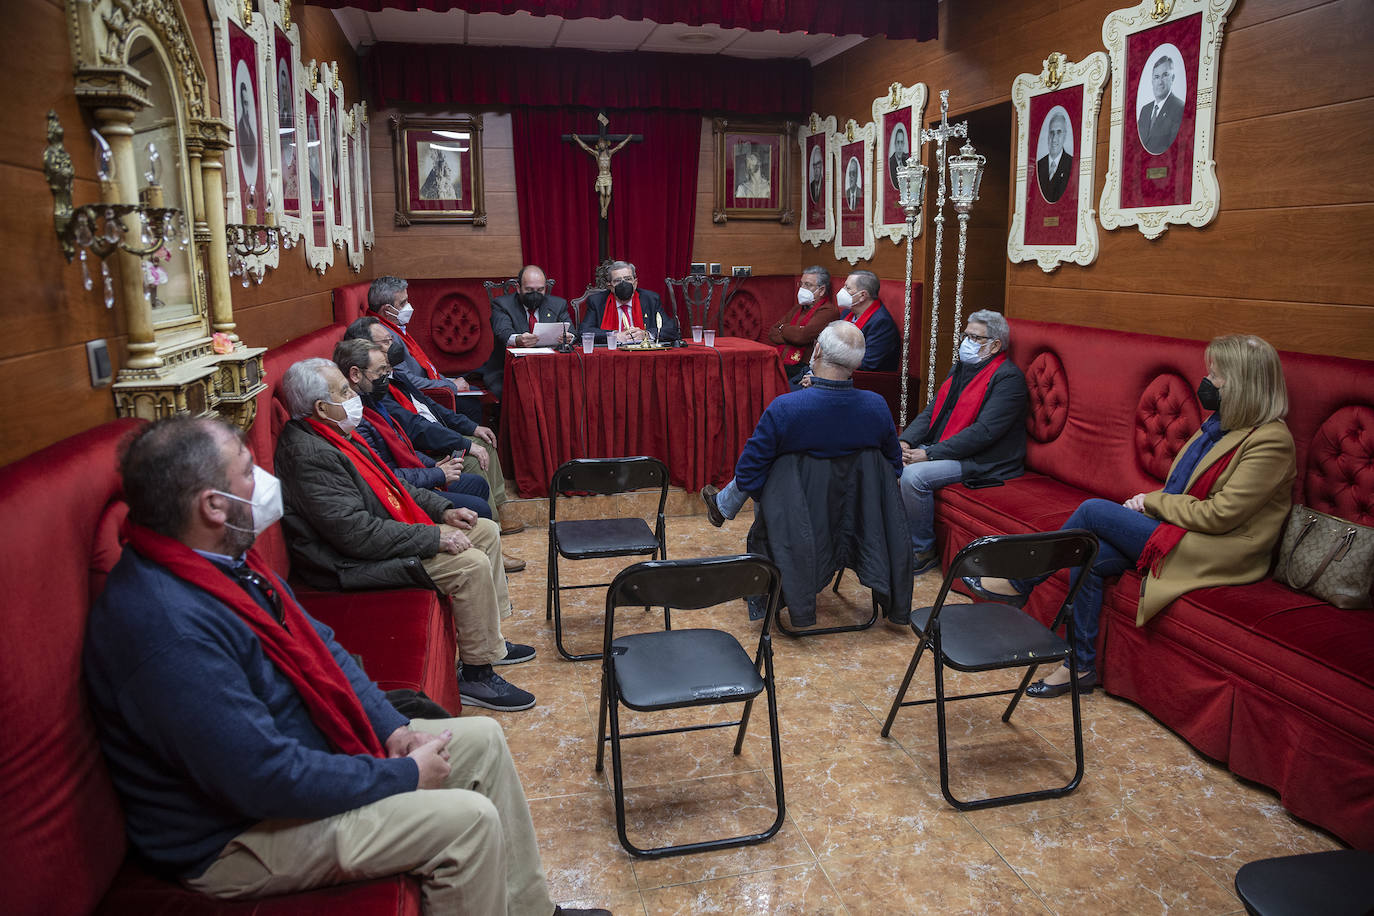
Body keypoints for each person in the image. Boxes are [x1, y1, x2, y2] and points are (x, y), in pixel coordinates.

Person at [84, 416, 608, 916]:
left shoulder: (220, 564)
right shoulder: (163, 627)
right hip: (234, 836)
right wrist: (400, 775)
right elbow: (260, 777)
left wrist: (393, 727)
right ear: (214, 506)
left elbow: (322, 646)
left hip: (303, 748)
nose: (265, 481)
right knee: (466, 824)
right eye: (248, 471)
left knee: (484, 743)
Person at [964, 334, 1295, 697]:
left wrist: (1151, 503)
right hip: (1179, 527)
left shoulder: (1271, 441)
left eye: (1216, 376)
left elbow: (1221, 514)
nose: (1207, 383)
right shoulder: (1218, 427)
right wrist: (1156, 505)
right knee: (1087, 552)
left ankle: (1023, 579)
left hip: (1217, 546)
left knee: (1092, 510)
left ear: (1244, 385)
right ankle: (1080, 666)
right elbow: (1183, 489)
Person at [274, 358, 538, 711]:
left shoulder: (334, 433)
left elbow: (393, 486)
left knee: (484, 530)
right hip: (348, 563)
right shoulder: (309, 454)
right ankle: (476, 675)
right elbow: (355, 535)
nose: (354, 395)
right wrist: (435, 538)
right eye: (344, 391)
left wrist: (442, 510)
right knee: (469, 564)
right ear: (322, 408)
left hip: (379, 534)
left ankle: (492, 647)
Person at [345, 317, 526, 572]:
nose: (393, 344)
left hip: (422, 456)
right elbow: (411, 434)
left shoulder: (389, 377)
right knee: (472, 456)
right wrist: (438, 469)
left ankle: (495, 526)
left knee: (481, 442)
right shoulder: (365, 404)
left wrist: (466, 432)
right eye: (385, 342)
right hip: (415, 465)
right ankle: (490, 540)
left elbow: (430, 408)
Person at [701, 321, 901, 526]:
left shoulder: (785, 408)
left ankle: (725, 507)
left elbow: (747, 474)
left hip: (792, 521)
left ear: (817, 350)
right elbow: (893, 468)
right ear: (857, 364)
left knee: (767, 467)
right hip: (854, 521)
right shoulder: (877, 407)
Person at [899, 309, 1028, 576]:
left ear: (995, 344)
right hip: (945, 447)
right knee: (889, 460)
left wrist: (930, 454)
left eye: (975, 337)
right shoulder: (962, 367)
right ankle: (894, 541)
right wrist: (905, 441)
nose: (966, 342)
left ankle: (922, 550)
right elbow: (932, 410)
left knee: (913, 476)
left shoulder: (1008, 378)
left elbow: (984, 433)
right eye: (965, 335)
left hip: (983, 460)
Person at [334, 337, 492, 518]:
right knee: (480, 507)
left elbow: (402, 444)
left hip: (413, 474)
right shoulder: (355, 418)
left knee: (478, 484)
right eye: (380, 372)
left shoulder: (371, 399)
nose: (387, 376)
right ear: (355, 374)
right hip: (398, 493)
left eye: (387, 370)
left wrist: (432, 466)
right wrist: (436, 474)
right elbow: (385, 476)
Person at [368, 275, 474, 406]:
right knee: (472, 404)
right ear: (386, 310)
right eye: (402, 303)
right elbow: (405, 379)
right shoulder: (383, 336)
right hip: (423, 396)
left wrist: (448, 382)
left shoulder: (394, 327)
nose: (408, 306)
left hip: (431, 386)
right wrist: (449, 385)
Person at [481, 264, 574, 397]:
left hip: (550, 371)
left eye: (540, 289)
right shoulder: (502, 304)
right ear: (518, 288)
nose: (535, 294)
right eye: (529, 290)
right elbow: (502, 332)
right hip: (508, 372)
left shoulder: (557, 305)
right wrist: (518, 340)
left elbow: (573, 332)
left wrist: (569, 337)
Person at [578, 259, 679, 345]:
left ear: (635, 283)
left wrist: (646, 334)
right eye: (617, 280)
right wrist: (614, 336)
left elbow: (671, 330)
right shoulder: (597, 301)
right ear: (610, 286)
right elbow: (584, 332)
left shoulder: (650, 299)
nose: (624, 284)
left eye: (628, 279)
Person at [769, 265, 840, 387]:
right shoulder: (799, 307)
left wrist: (784, 328)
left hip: (802, 367)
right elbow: (772, 332)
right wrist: (794, 332)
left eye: (807, 285)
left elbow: (802, 337)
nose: (802, 289)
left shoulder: (828, 311)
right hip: (783, 361)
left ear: (821, 290)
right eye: (801, 284)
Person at [838, 270, 899, 371]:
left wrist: (829, 371)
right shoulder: (846, 313)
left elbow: (867, 364)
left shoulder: (881, 323)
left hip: (866, 380)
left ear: (862, 295)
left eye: (847, 288)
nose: (842, 291)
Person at [1137, 54, 1185, 155]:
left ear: (1172, 78)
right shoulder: (1145, 110)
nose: (1160, 82)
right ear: (1152, 81)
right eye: (1157, 77)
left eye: (1165, 75)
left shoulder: (1180, 108)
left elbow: (1176, 150)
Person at [1036, 110, 1073, 203]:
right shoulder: (1039, 165)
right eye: (1051, 132)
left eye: (1059, 132)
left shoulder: (1072, 164)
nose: (1054, 138)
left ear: (1065, 135)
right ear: (1048, 135)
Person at [887, 123, 910, 190]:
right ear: (895, 144)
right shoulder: (891, 162)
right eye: (898, 142)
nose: (900, 146)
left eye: (901, 142)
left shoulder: (907, 160)